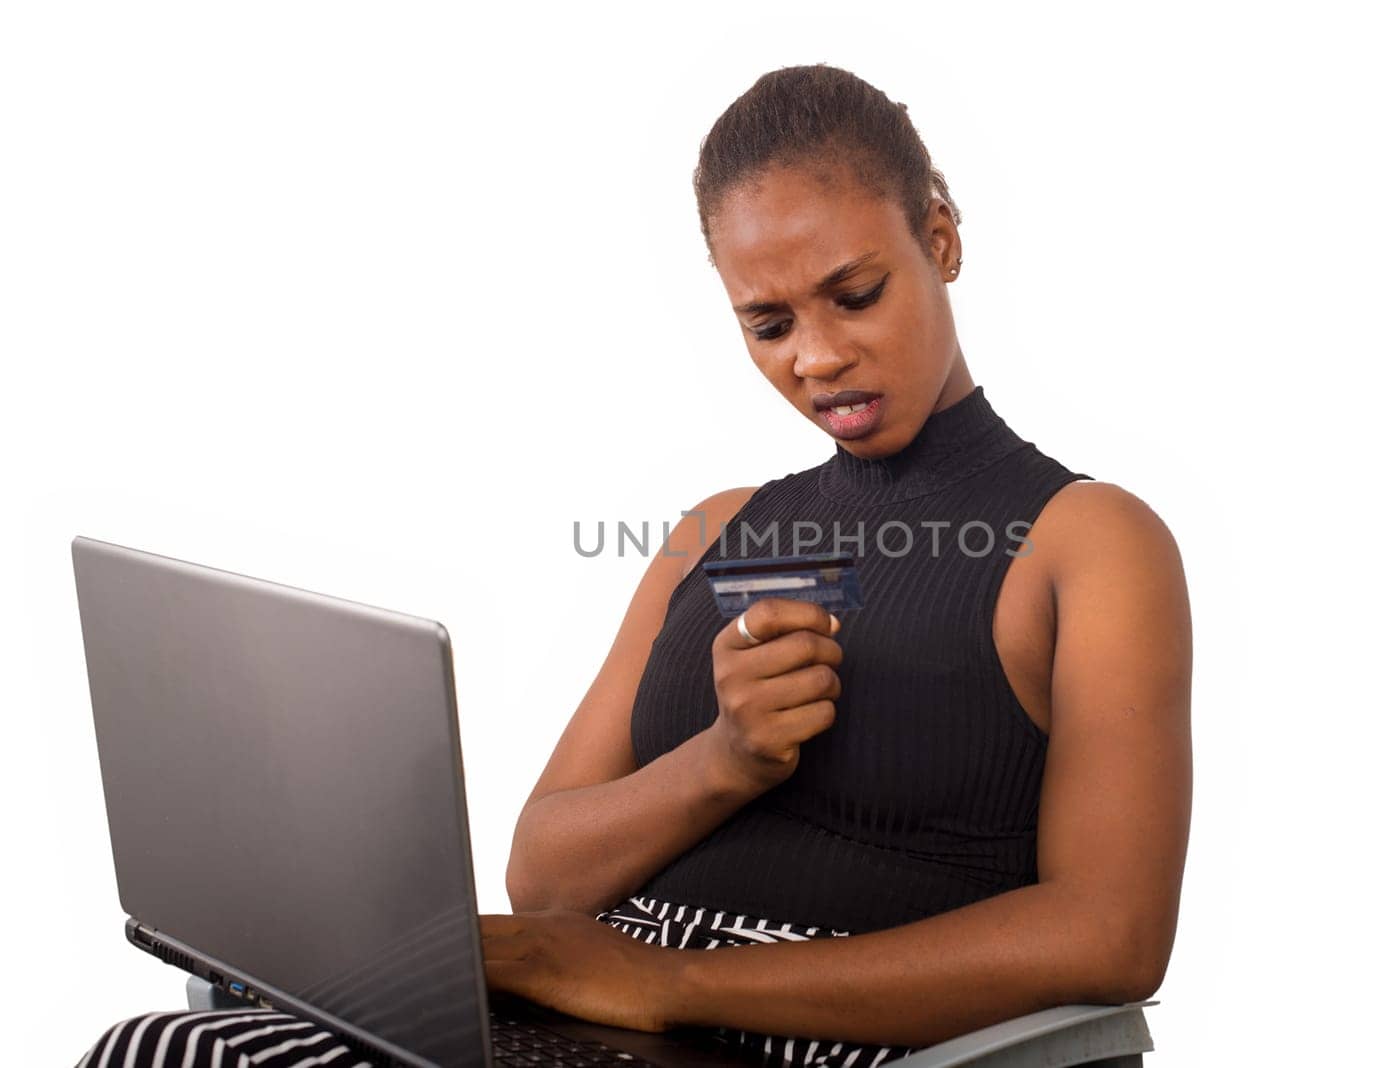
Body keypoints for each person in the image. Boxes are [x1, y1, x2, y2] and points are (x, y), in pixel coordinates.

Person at [78, 63, 1192, 1068]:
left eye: (855, 295)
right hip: (581, 1009)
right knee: (163, 1045)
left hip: (810, 1036)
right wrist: (726, 759)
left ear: (940, 238)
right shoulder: (710, 531)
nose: (816, 355)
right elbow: (546, 877)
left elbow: (1110, 936)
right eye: (766, 322)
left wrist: (672, 984)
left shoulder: (1087, 541)